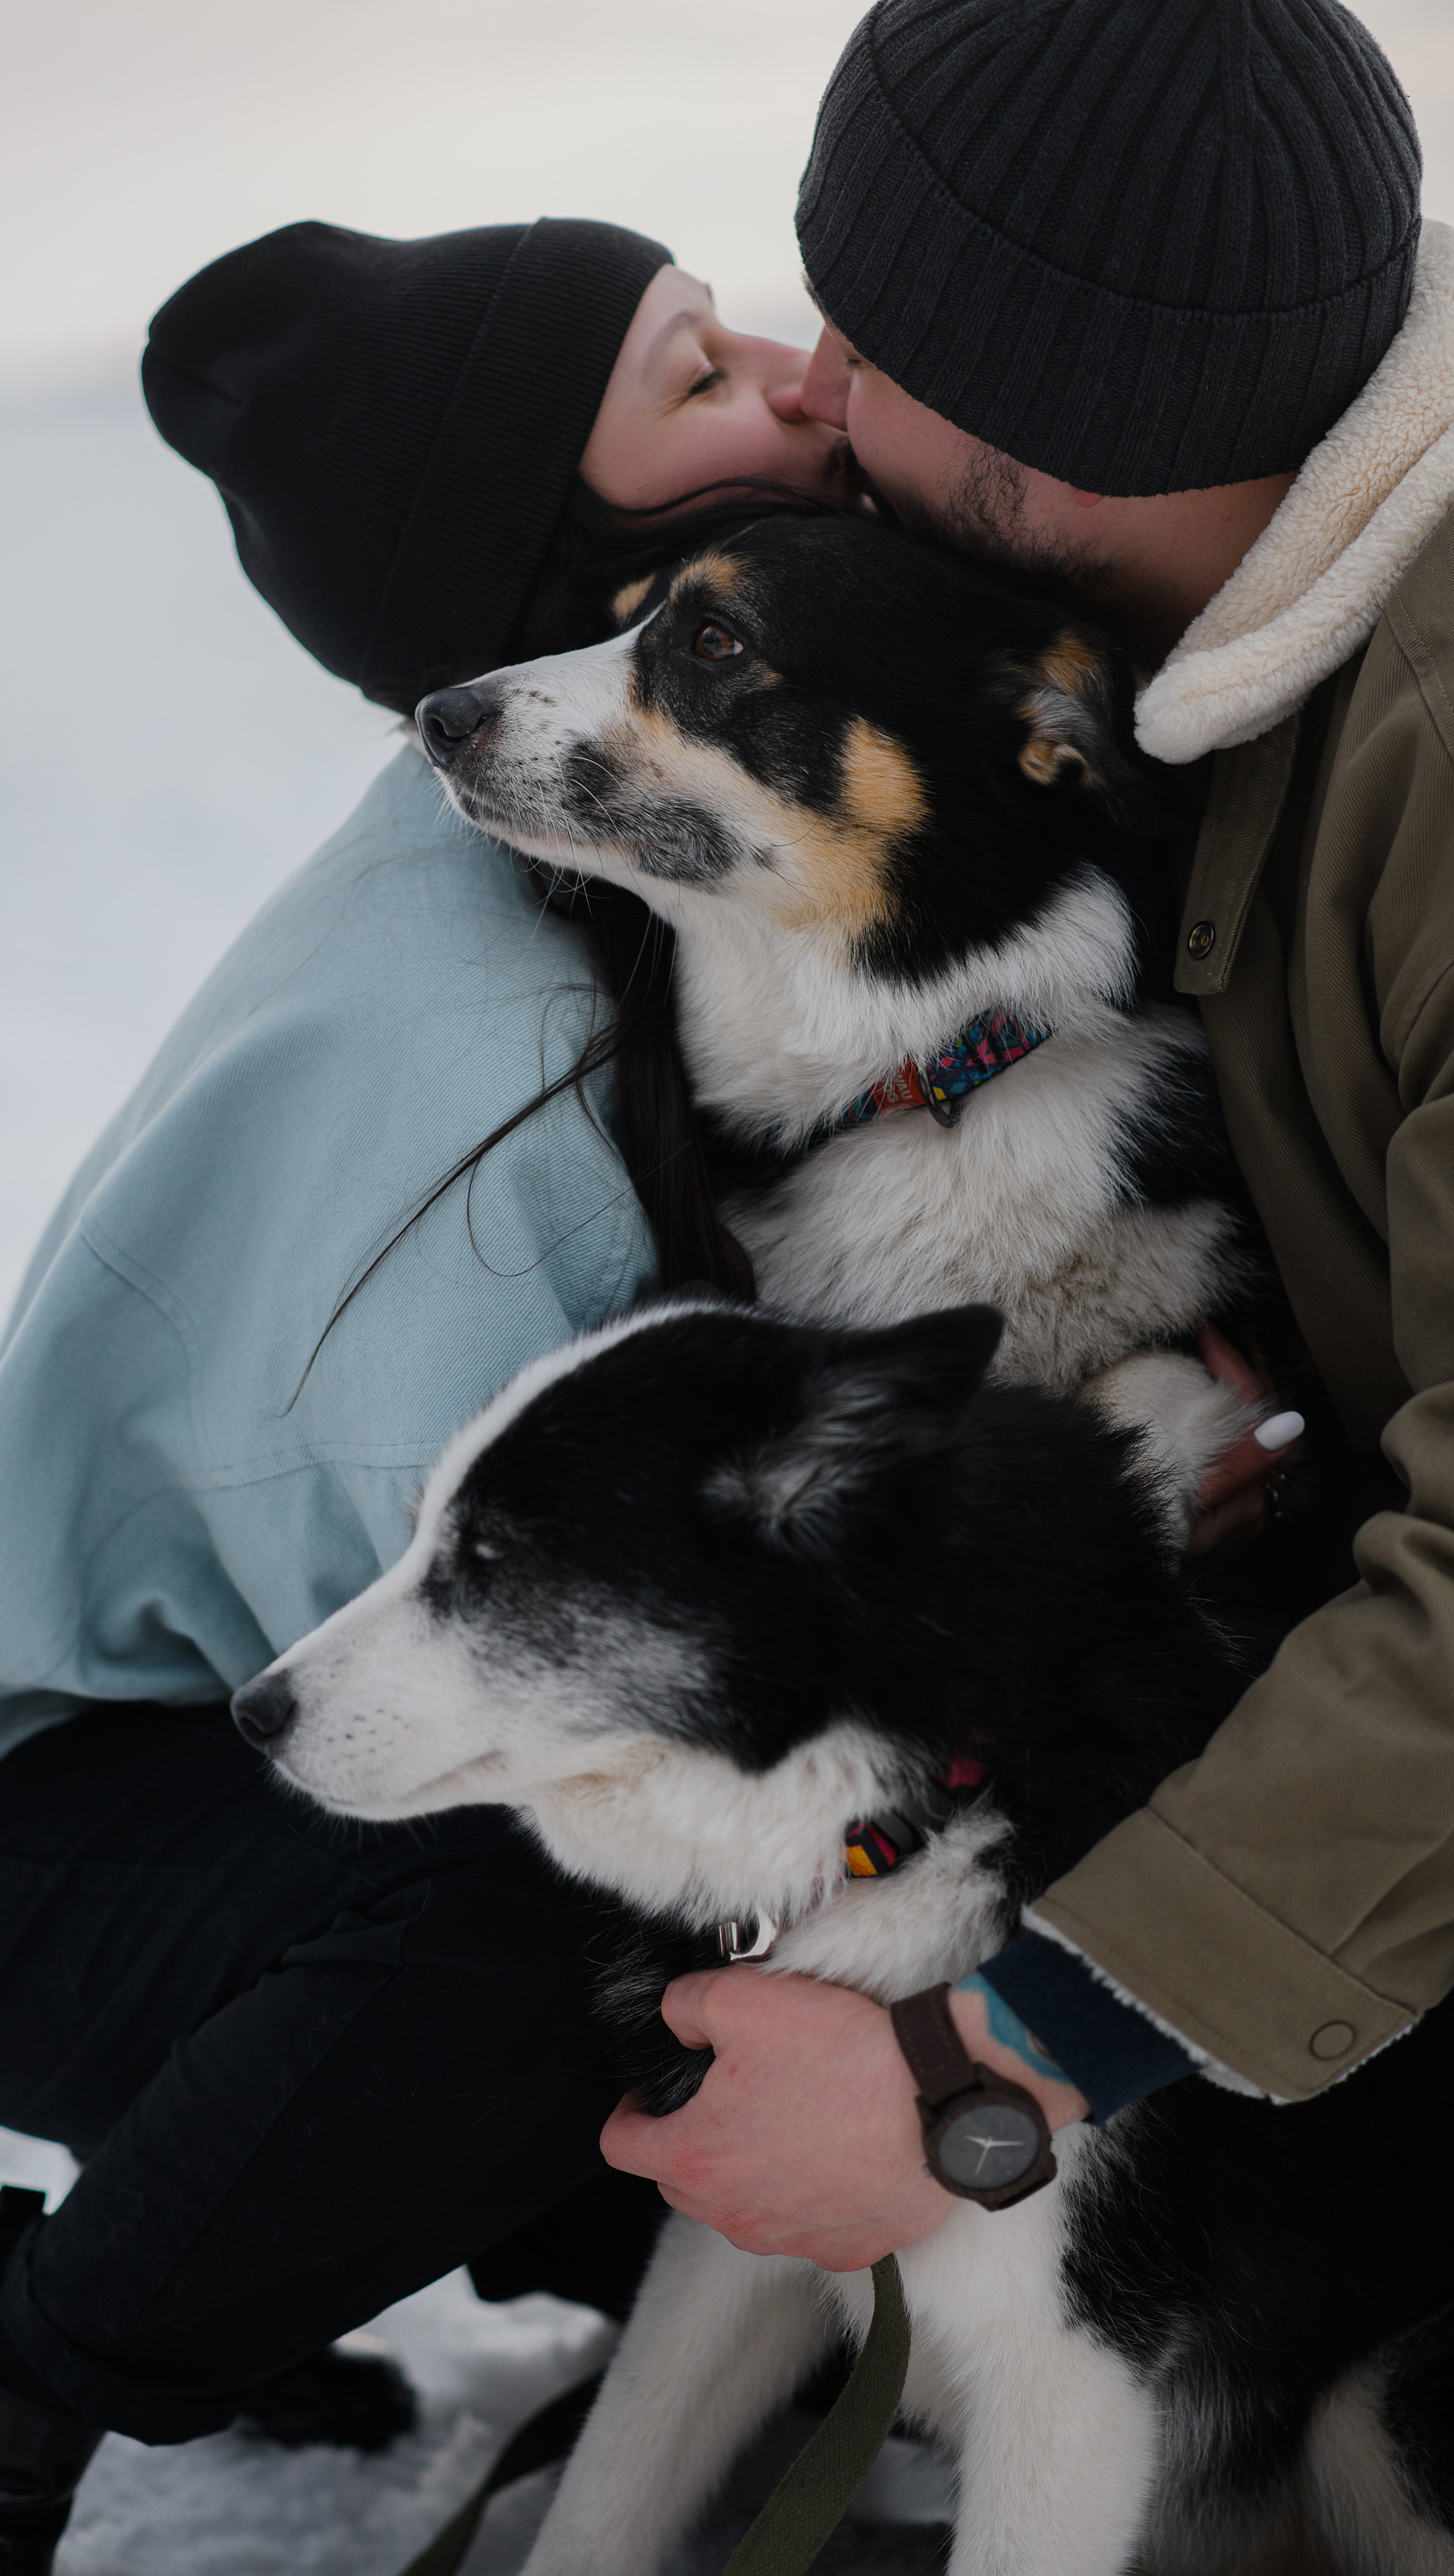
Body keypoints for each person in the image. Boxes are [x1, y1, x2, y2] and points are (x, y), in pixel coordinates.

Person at [0, 215, 855, 2576]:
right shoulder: (466, 1066)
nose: (796, 376)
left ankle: (266, 2229)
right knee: (539, 1944)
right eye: (700, 376)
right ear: (572, 561)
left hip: (210, 1708)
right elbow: (495, 1689)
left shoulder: (654, 876)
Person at [601, 0, 1454, 2279]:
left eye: (869, 338)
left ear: (1061, 408)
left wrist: (994, 2063)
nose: (809, 382)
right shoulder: (1240, 658)